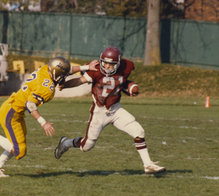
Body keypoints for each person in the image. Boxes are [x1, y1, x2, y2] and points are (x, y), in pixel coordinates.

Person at [0, 56, 99, 178]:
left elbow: (67, 69)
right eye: (63, 75)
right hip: (11, 113)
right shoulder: (47, 88)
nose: (65, 77)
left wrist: (86, 68)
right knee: (19, 150)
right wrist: (43, 122)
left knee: (18, 145)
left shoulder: (45, 69)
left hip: (14, 109)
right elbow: (30, 105)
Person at [54, 46, 166, 174]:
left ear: (118, 63)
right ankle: (66, 143)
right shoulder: (95, 68)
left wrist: (130, 87)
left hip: (116, 110)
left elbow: (122, 82)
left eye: (111, 64)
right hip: (99, 112)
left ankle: (148, 164)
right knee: (87, 146)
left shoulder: (126, 66)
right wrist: (65, 85)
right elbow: (81, 80)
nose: (107, 67)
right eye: (105, 63)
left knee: (139, 131)